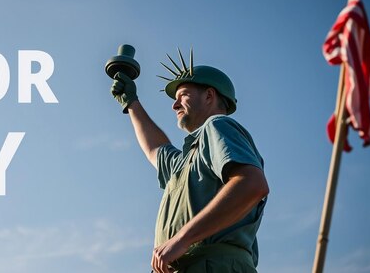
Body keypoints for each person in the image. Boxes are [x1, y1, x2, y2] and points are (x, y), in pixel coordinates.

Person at [110, 54, 269, 273]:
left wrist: (183, 239)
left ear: (209, 96)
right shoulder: (185, 162)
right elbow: (155, 148)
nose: (175, 105)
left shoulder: (218, 125)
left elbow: (252, 184)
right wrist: (131, 103)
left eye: (183, 95)